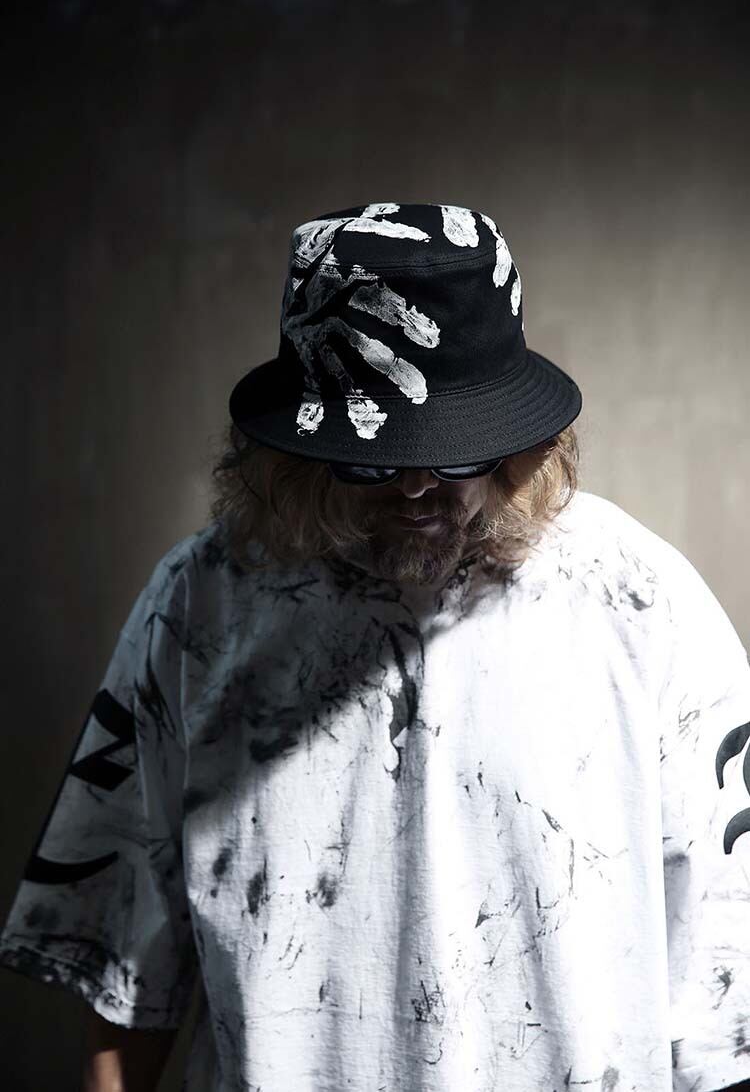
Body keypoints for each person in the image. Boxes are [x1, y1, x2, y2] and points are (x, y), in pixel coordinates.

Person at [0, 201, 748, 1092]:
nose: (419, 484)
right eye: (374, 455)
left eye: (459, 452)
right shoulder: (199, 602)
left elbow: (725, 1000)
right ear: (298, 447)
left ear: (523, 441)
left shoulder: (641, 603)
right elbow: (126, 986)